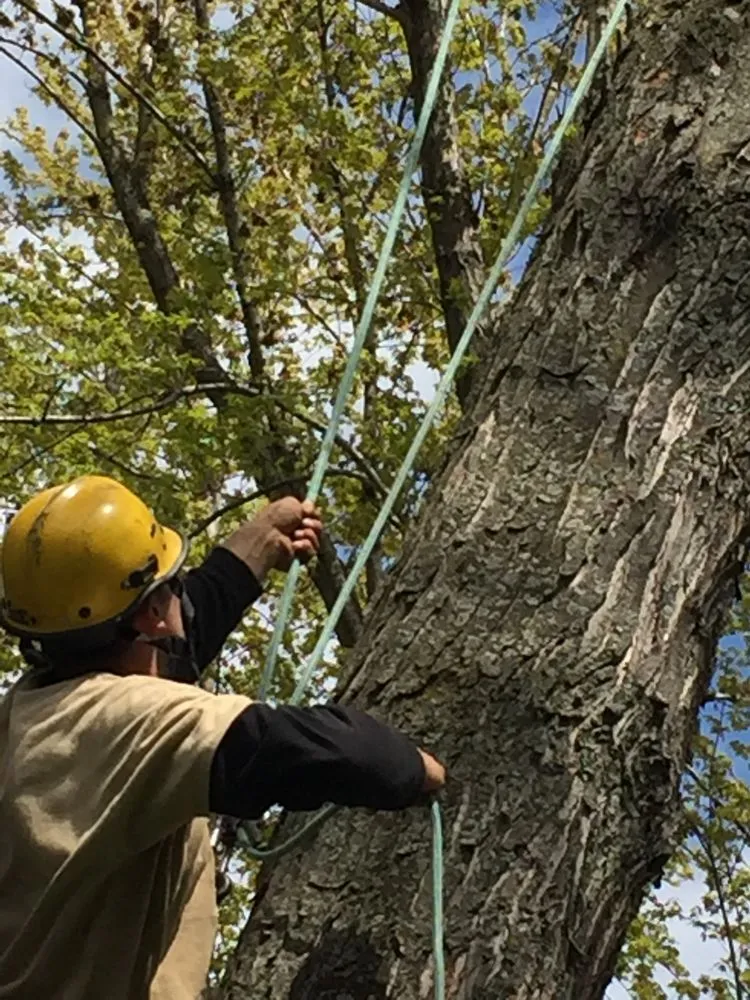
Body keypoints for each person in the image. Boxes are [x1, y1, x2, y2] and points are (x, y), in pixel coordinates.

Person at [0, 475, 445, 1000]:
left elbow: (173, 641)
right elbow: (307, 751)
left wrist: (256, 545)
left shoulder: (31, 715)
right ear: (149, 615)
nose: (178, 597)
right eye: (170, 583)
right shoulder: (131, 725)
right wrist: (417, 771)